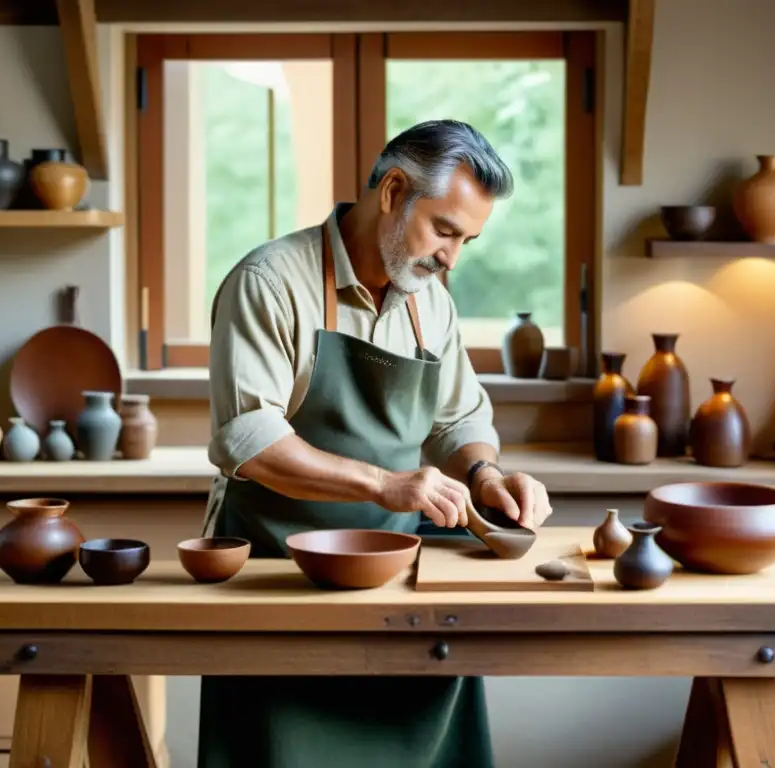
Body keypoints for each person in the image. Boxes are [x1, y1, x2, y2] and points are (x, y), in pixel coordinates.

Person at [199, 118, 554, 768]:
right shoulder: (269, 281)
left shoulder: (431, 301)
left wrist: (486, 476)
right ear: (392, 191)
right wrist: (386, 483)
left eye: (467, 240)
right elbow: (248, 440)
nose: (452, 257)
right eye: (444, 230)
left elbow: (457, 423)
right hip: (282, 579)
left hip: (397, 582)